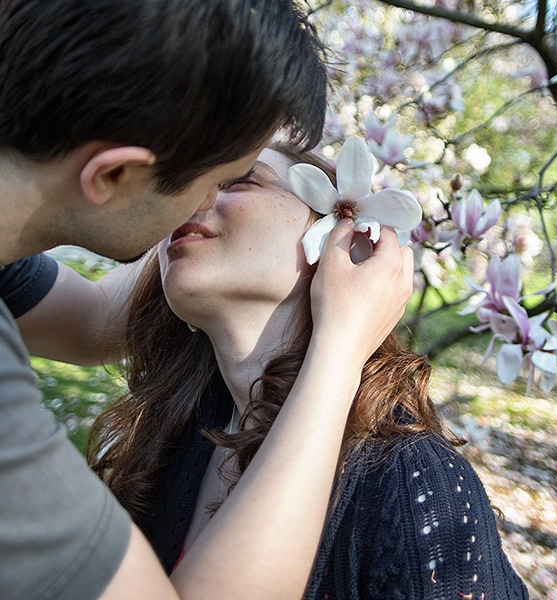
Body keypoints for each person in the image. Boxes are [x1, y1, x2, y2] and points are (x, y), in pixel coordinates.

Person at [0, 1, 412, 598]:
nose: (200, 208)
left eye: (238, 180)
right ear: (113, 176)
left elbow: (93, 323)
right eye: (215, 178)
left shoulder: (403, 480)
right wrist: (340, 351)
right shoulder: (179, 447)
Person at [80, 142, 530, 599]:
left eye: (239, 180)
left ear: (343, 237)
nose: (191, 199)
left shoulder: (413, 484)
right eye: (186, 184)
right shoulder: (180, 439)